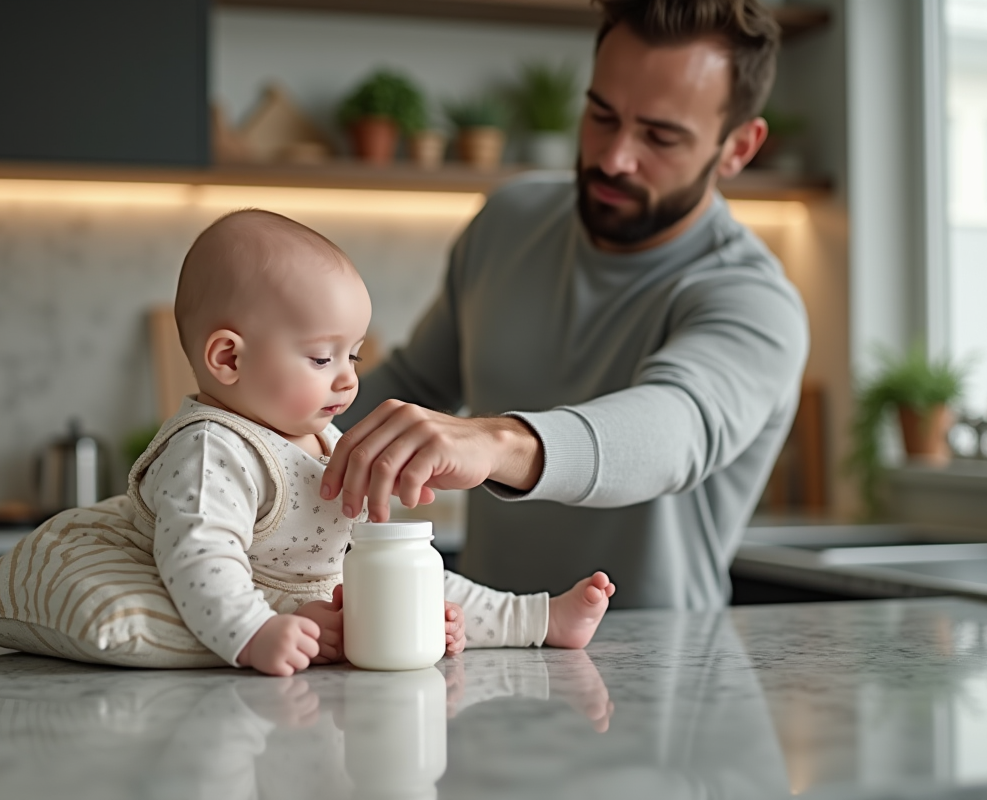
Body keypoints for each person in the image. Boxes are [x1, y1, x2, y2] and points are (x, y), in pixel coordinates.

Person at [323, 0, 809, 609]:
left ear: (739, 146)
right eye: (602, 115)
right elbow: (414, 384)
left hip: (661, 674)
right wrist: (245, 443)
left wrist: (496, 444)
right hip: (481, 650)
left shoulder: (755, 301)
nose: (613, 157)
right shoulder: (508, 221)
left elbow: (674, 428)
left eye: (660, 136)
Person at [134, 209, 615, 677]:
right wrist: (254, 632)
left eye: (354, 356)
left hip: (332, 586)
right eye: (323, 359)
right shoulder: (210, 449)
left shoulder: (317, 435)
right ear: (229, 358)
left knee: (420, 573)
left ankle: (537, 620)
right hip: (266, 599)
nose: (347, 379)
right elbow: (200, 558)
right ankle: (525, 621)